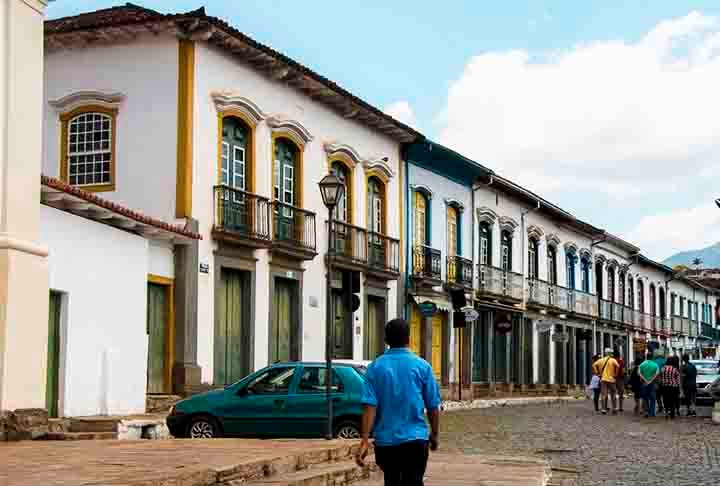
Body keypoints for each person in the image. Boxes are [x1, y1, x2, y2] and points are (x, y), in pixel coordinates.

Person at [357, 318, 441, 486]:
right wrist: (434, 434)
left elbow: (369, 406)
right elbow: (432, 406)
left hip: (386, 443)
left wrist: (365, 440)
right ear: (409, 339)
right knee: (413, 481)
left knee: (391, 480)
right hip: (415, 440)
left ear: (386, 340)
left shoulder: (375, 367)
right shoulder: (422, 366)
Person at [593, 348, 619, 415]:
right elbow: (618, 366)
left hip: (603, 379)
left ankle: (603, 409)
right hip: (611, 379)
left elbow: (594, 365)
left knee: (603, 394)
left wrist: (597, 373)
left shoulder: (601, 360)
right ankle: (614, 408)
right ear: (610, 353)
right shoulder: (613, 360)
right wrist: (615, 374)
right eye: (611, 353)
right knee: (613, 394)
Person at [639, 353, 660, 418]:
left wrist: (645, 380)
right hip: (653, 384)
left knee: (645, 398)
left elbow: (639, 373)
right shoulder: (655, 365)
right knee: (653, 398)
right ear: (652, 357)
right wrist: (651, 380)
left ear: (646, 357)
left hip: (644, 383)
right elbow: (657, 374)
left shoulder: (642, 364)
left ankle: (646, 412)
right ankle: (652, 412)